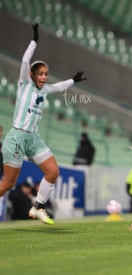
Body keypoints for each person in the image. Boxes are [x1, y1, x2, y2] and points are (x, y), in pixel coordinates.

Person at [0, 23, 86, 225]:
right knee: (7, 184)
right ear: (32, 75)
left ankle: (38, 207)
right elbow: (24, 61)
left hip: (33, 138)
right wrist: (34, 41)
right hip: (17, 138)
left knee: (53, 172)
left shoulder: (44, 90)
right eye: (40, 74)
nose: (44, 77)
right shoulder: (24, 85)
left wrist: (73, 80)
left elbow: (59, 87)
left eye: (46, 74)